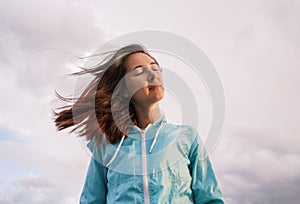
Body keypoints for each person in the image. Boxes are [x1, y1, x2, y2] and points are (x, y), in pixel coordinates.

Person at [53, 44, 224, 203]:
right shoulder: (106, 148)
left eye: (155, 68)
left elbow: (210, 200)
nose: (153, 74)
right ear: (124, 88)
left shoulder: (186, 137)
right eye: (139, 71)